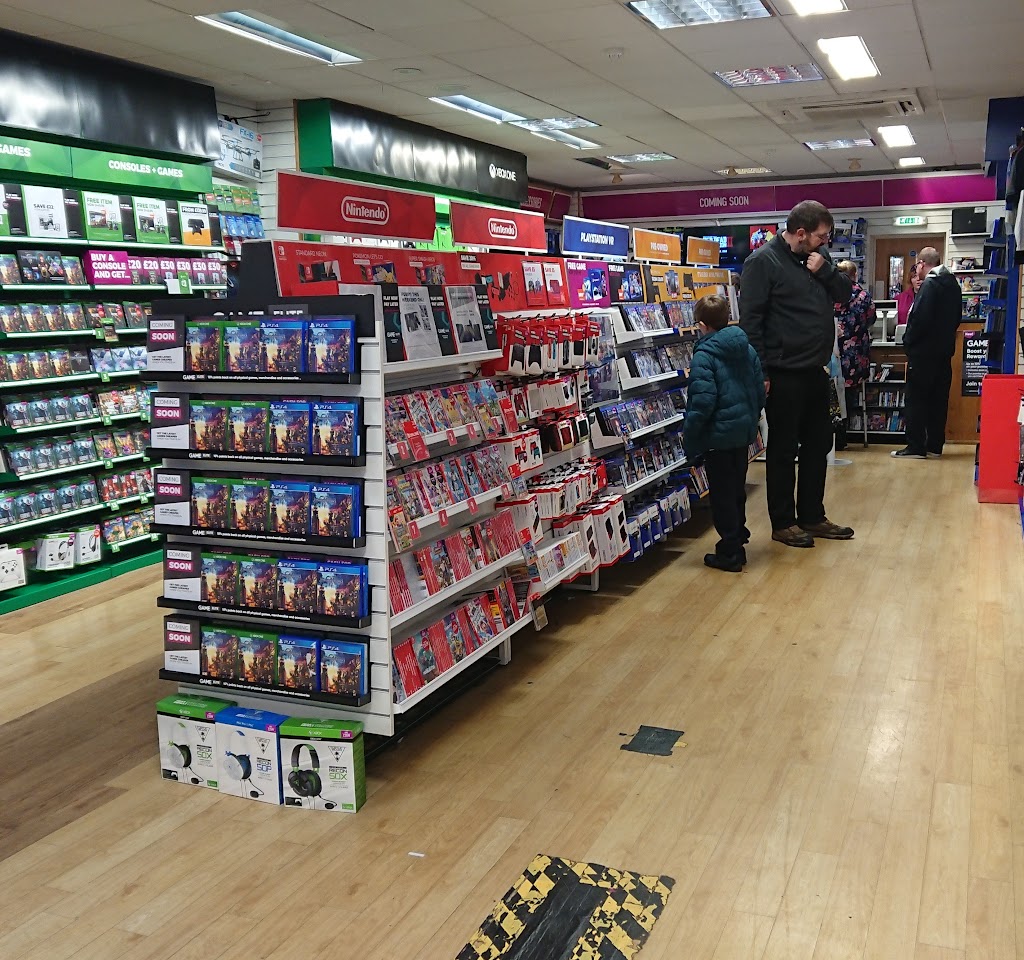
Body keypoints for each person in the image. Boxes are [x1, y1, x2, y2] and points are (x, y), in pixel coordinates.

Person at [740, 200, 855, 548]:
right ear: (800, 233)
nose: (825, 241)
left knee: (819, 444)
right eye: (821, 236)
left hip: (817, 370)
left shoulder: (820, 257)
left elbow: (845, 293)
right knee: (783, 448)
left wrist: (826, 270)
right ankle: (783, 523)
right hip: (783, 372)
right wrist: (762, 373)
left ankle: (812, 516)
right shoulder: (762, 262)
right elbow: (751, 323)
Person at [683, 295, 765, 572]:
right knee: (736, 490)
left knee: (721, 496)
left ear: (702, 325)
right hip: (742, 434)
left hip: (718, 438)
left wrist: (691, 437)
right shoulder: (747, 348)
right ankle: (737, 539)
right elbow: (759, 390)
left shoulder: (704, 356)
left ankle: (730, 552)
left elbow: (702, 402)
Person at [892, 248, 963, 459]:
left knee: (916, 400)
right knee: (938, 401)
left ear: (922, 264)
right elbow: (956, 318)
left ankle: (915, 446)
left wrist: (908, 342)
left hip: (923, 354)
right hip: (944, 352)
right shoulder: (952, 284)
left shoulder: (930, 285)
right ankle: (934, 445)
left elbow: (919, 319)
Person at [834, 260, 875, 450]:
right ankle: (844, 434)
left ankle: (834, 436)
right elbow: (871, 319)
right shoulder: (863, 296)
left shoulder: (830, 293)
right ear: (855, 275)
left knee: (833, 394)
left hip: (833, 351)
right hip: (856, 354)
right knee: (849, 395)